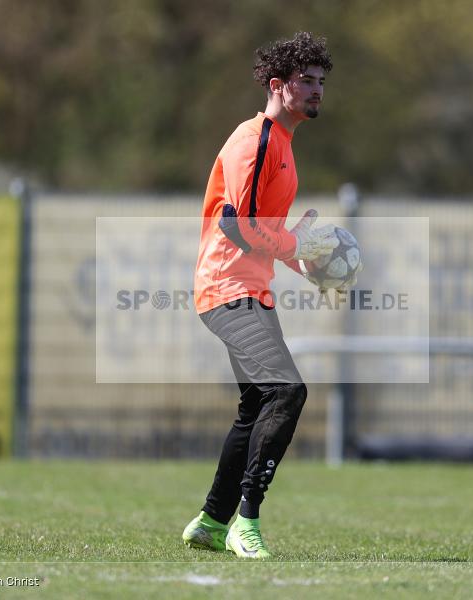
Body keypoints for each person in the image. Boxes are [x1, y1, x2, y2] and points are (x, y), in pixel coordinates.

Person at [181, 32, 339, 559]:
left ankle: (210, 521)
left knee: (256, 406)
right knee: (287, 392)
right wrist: (295, 245)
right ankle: (245, 522)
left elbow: (258, 232)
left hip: (244, 287)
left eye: (321, 81)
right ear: (278, 85)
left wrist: (302, 260)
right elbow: (235, 225)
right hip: (228, 288)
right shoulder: (258, 141)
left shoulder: (284, 145)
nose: (317, 90)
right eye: (306, 81)